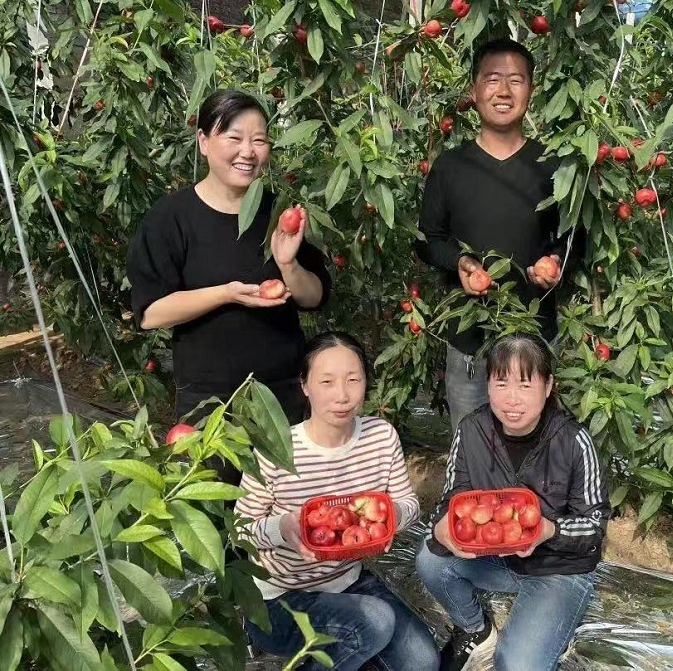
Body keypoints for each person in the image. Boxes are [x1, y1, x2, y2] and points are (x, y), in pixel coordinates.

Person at [127, 90, 331, 485]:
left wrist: (288, 263)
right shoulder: (171, 218)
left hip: (281, 396)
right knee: (214, 509)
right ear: (203, 141)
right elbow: (150, 313)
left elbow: (314, 297)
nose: (248, 152)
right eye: (234, 138)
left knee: (284, 507)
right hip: (209, 402)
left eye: (259, 140)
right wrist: (226, 293)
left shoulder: (280, 211)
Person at [235, 332, 439, 671]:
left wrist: (391, 515)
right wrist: (283, 527)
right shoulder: (277, 449)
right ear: (305, 385)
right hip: (280, 599)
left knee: (422, 662)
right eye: (326, 382)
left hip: (348, 581)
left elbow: (409, 504)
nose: (342, 395)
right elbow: (240, 530)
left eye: (353, 380)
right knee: (375, 622)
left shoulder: (380, 437)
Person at [415, 334, 609, 671]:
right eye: (501, 384)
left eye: (525, 385)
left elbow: (594, 527)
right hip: (494, 556)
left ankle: (551, 625)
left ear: (548, 387)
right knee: (431, 560)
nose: (512, 399)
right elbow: (452, 498)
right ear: (488, 385)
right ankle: (475, 629)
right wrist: (444, 526)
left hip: (557, 568)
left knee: (516, 665)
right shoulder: (472, 430)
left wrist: (548, 530)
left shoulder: (573, 440)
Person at [416, 38, 571, 432]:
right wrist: (460, 263)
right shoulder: (451, 167)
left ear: (531, 90)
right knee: (472, 449)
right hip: (469, 346)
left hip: (536, 344)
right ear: (474, 89)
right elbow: (428, 239)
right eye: (492, 79)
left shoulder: (553, 166)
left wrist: (554, 261)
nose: (503, 91)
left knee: (536, 452)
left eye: (516, 80)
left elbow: (573, 238)